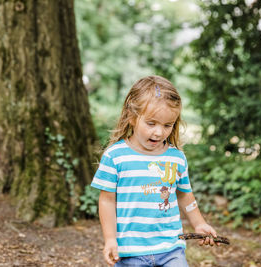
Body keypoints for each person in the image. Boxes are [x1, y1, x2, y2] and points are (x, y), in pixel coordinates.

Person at [90, 75, 219, 266]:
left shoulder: (176, 158)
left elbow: (185, 195)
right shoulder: (115, 156)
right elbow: (107, 200)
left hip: (171, 249)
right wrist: (110, 239)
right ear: (132, 117)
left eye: (168, 125)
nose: (159, 132)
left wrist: (199, 223)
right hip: (131, 252)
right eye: (151, 123)